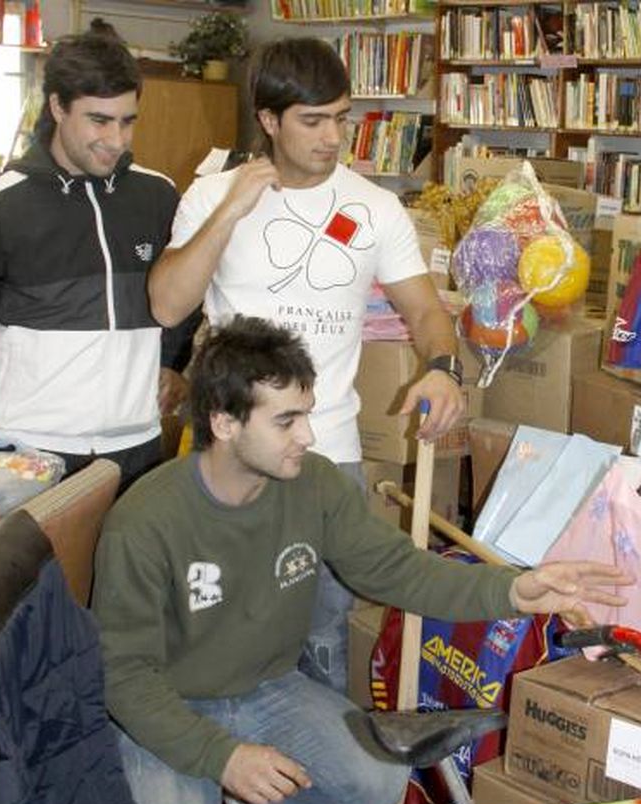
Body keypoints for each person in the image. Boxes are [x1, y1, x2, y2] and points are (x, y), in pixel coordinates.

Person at [92, 317, 632, 804]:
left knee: (379, 780)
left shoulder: (313, 485)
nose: (307, 435)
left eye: (307, 413)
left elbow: (399, 571)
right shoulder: (144, 520)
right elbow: (125, 678)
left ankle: (256, 795)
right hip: (173, 698)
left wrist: (514, 591)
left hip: (267, 686)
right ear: (223, 423)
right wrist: (221, 756)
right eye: (285, 421)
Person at [146, 37, 463, 697]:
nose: (333, 137)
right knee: (212, 628)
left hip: (329, 452)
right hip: (224, 454)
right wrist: (235, 206)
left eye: (341, 117)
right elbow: (168, 302)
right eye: (312, 121)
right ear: (268, 120)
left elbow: (429, 315)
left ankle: (311, 790)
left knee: (323, 628)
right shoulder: (212, 196)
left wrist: (441, 368)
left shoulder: (375, 208)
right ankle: (226, 773)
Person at [0, 21, 198, 487]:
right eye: (99, 120)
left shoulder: (159, 196)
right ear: (58, 107)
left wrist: (171, 360)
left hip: (136, 446)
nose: (117, 140)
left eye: (128, 121)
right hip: (25, 451)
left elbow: (186, 293)